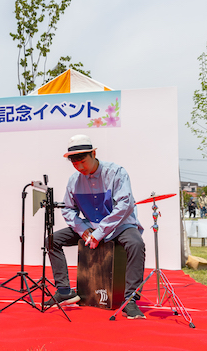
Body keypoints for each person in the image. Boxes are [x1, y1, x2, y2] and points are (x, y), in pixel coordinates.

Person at [45, 134, 146, 320]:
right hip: (90, 228)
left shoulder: (116, 173)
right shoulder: (74, 180)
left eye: (83, 162)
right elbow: (68, 209)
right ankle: (64, 290)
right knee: (51, 240)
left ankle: (130, 300)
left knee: (136, 244)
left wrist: (100, 232)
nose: (80, 167)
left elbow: (125, 205)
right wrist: (83, 229)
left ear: (93, 153)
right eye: (75, 164)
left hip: (121, 226)